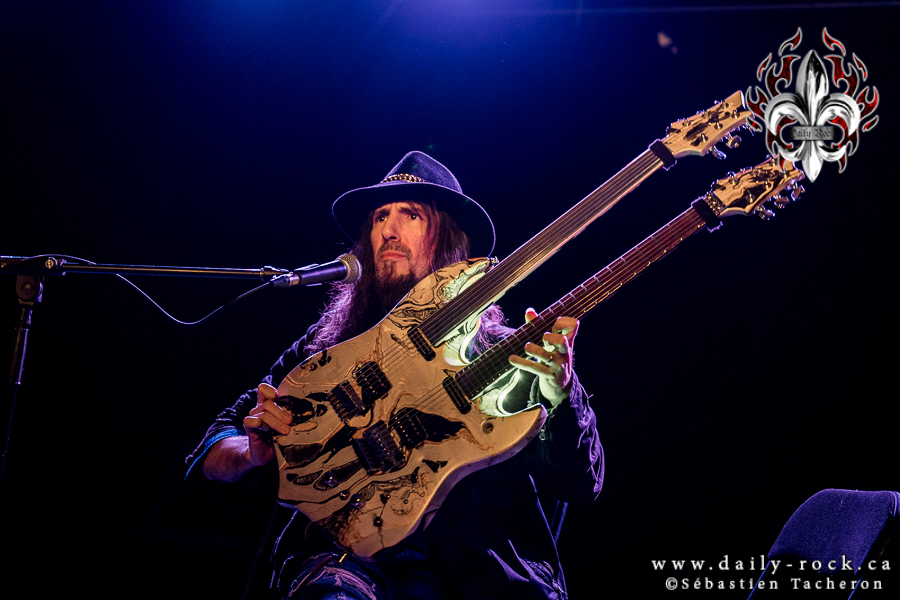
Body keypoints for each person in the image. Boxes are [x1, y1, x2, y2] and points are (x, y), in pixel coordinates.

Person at [186, 151, 604, 599]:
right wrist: (251, 453)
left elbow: (581, 485)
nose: (389, 230)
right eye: (380, 216)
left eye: (411, 215)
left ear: (452, 243)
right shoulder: (327, 350)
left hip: (476, 577)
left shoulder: (508, 353)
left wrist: (562, 396)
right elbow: (211, 450)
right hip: (347, 568)